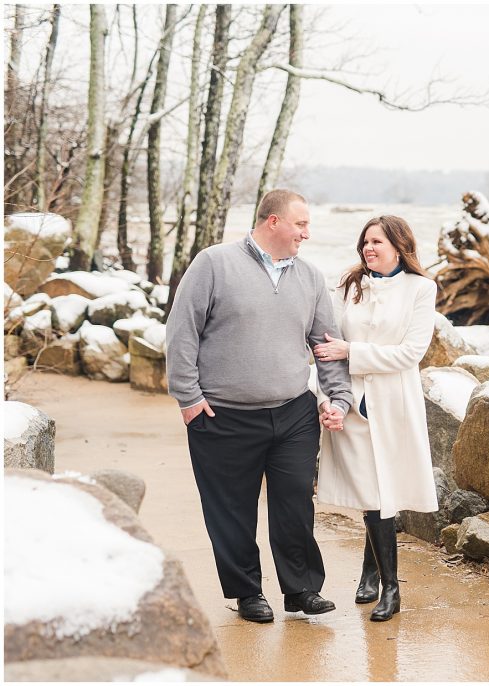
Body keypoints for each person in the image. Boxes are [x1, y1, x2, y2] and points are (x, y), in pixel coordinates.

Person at [166, 189, 353, 624]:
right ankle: (247, 592)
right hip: (222, 415)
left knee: (294, 504)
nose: (307, 233)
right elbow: (182, 332)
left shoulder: (309, 277)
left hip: (293, 413)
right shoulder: (213, 263)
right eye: (301, 224)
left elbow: (325, 346)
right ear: (273, 221)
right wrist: (189, 397)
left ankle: (301, 589)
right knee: (231, 510)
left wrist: (337, 398)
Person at [311, 215, 439, 622]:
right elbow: (326, 347)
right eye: (365, 241)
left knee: (384, 492)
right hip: (352, 403)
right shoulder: (348, 286)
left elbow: (410, 353)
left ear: (400, 246)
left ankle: (389, 586)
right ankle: (376, 573)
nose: (368, 248)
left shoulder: (422, 288)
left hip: (393, 402)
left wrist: (354, 352)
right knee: (372, 492)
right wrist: (328, 396)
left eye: (377, 242)